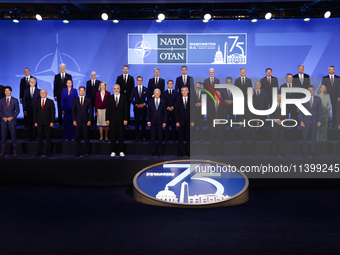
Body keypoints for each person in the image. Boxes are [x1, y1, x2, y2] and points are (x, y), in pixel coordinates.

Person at [106, 84, 129, 157]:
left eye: (117, 88)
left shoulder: (124, 98)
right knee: (112, 136)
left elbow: (126, 110)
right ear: (113, 89)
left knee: (121, 136)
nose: (116, 90)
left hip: (121, 120)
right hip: (112, 121)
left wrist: (126, 119)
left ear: (119, 89)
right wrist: (107, 119)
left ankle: (121, 151)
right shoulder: (110, 98)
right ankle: (113, 151)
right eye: (115, 88)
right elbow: (108, 110)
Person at [300, 86, 322, 157]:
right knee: (305, 137)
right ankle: (304, 151)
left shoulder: (318, 99)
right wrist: (301, 121)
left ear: (314, 90)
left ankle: (313, 151)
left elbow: (320, 111)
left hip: (314, 121)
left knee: (314, 137)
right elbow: (301, 112)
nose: (310, 92)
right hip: (306, 121)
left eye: (312, 90)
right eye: (309, 90)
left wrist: (319, 121)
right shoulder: (303, 99)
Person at [34, 89, 55, 157]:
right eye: (41, 93)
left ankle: (48, 152)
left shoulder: (50, 102)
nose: (43, 94)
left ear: (47, 94)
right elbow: (35, 112)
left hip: (48, 123)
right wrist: (35, 121)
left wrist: (52, 121)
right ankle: (39, 152)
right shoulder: (37, 102)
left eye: (44, 93)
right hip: (39, 123)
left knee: (48, 138)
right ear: (40, 94)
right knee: (40, 138)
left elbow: (53, 112)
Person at [72, 86, 92, 157]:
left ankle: (86, 151)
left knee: (86, 137)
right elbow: (73, 111)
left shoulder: (88, 100)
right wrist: (74, 120)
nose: (82, 92)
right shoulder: (75, 100)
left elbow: (91, 111)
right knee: (77, 137)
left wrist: (90, 120)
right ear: (79, 91)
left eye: (83, 90)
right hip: (77, 121)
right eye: (80, 90)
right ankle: (78, 151)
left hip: (85, 121)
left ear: (85, 91)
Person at [0, 86, 20, 157]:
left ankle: (14, 151)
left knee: (13, 137)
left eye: (8, 90)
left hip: (12, 121)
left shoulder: (15, 100)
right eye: (5, 91)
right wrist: (2, 117)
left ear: (11, 91)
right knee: (3, 137)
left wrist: (12, 117)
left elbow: (17, 111)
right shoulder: (1, 100)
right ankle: (3, 151)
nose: (7, 92)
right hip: (3, 121)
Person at [147, 88, 167, 157]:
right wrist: (148, 121)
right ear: (154, 94)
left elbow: (165, 113)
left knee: (160, 138)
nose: (157, 94)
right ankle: (153, 152)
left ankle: (160, 152)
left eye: (158, 93)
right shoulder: (150, 101)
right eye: (156, 93)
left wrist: (164, 122)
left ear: (160, 94)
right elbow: (148, 112)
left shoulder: (163, 101)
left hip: (160, 122)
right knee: (153, 138)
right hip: (152, 122)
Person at [175, 87, 194, 157]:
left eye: (185, 90)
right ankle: (180, 152)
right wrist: (177, 121)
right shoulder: (178, 101)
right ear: (181, 92)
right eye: (183, 91)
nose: (184, 92)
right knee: (180, 138)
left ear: (188, 91)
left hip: (189, 122)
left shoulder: (192, 100)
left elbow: (193, 112)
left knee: (189, 138)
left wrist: (193, 121)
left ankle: (189, 152)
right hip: (180, 122)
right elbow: (176, 112)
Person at [280, 73, 299, 141]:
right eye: (288, 77)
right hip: (285, 107)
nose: (289, 79)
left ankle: (294, 137)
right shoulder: (282, 86)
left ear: (292, 78)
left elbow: (298, 97)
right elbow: (281, 98)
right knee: (284, 122)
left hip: (294, 107)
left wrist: (298, 107)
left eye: (290, 77)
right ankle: (284, 137)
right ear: (286, 78)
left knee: (295, 122)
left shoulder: (296, 86)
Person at [207, 91, 226, 156]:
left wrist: (219, 120)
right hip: (212, 123)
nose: (216, 96)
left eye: (218, 95)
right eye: (215, 95)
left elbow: (225, 114)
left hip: (220, 124)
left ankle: (221, 153)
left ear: (220, 96)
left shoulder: (223, 103)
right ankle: (213, 152)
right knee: (212, 138)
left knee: (221, 139)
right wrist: (214, 120)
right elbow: (208, 114)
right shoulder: (210, 104)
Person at [131, 76, 149, 142]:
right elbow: (131, 99)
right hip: (136, 108)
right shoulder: (134, 89)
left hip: (144, 108)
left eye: (141, 80)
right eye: (138, 80)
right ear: (136, 81)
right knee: (137, 123)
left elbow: (149, 99)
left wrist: (144, 104)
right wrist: (136, 104)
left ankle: (143, 137)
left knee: (143, 123)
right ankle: (137, 137)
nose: (139, 81)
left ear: (142, 81)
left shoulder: (146, 89)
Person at [223, 77, 234, 141]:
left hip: (232, 108)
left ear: (231, 82)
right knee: (224, 123)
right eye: (227, 82)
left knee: (231, 123)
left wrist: (232, 101)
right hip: (224, 108)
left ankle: (231, 137)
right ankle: (223, 137)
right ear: (226, 82)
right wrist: (225, 101)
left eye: (230, 82)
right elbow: (220, 98)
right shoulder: (223, 89)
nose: (228, 83)